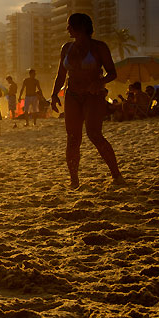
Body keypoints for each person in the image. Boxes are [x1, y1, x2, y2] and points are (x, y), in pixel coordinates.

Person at [50, 13, 125, 188]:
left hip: (93, 96)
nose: (67, 29)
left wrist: (99, 82)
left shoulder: (99, 47)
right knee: (73, 137)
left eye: (70, 25)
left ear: (81, 27)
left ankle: (116, 175)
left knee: (94, 134)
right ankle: (74, 181)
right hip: (72, 95)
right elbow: (61, 75)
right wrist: (54, 95)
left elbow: (112, 73)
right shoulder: (66, 48)